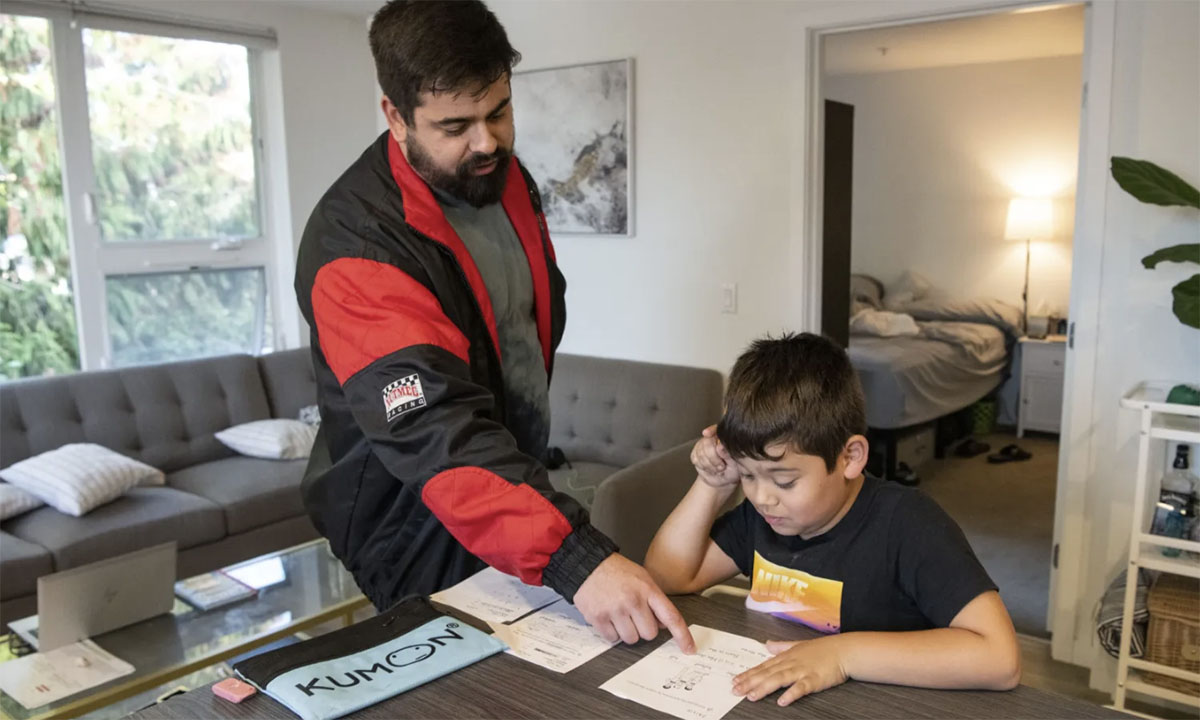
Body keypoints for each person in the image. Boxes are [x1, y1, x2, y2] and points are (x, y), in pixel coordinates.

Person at [294, 0, 693, 653]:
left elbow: (528, 314)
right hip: (413, 512)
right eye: (455, 125)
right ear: (395, 116)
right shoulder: (359, 250)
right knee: (470, 681)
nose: (487, 142)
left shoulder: (503, 179)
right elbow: (434, 434)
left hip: (506, 479)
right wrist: (577, 558)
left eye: (499, 112)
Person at [644, 332, 1020, 705]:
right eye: (747, 475)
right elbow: (669, 577)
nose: (761, 498)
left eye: (785, 481)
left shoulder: (909, 525)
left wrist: (840, 655)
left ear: (850, 457)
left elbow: (1000, 659)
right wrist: (713, 483)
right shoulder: (765, 517)